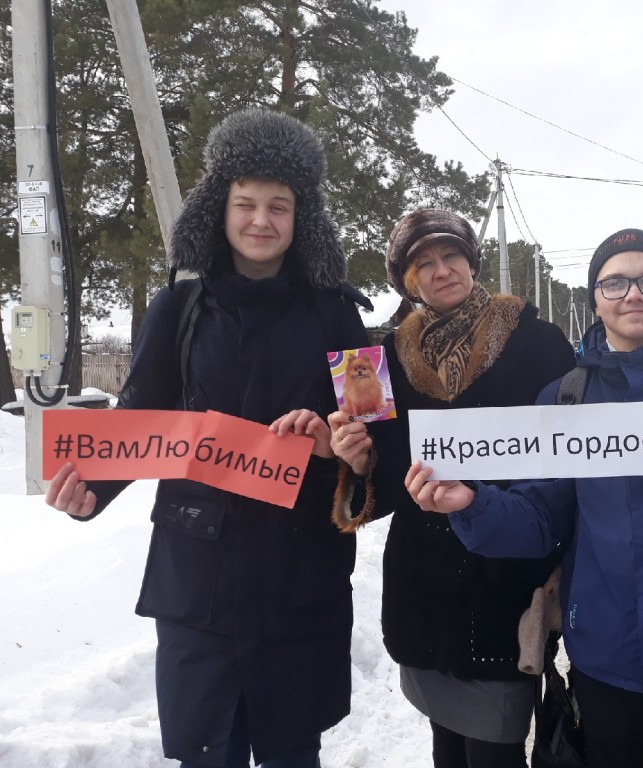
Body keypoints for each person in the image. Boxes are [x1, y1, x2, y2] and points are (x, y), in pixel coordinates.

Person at [45, 108, 370, 768]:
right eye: (245, 203)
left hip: (299, 576)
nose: (260, 220)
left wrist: (335, 447)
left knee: (291, 753)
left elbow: (378, 432)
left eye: (279, 206)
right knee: (205, 752)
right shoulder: (177, 309)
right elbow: (139, 418)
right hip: (198, 580)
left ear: (302, 217)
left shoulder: (339, 315)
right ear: (218, 209)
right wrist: (89, 490)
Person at [403, 227, 643, 768]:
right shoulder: (566, 399)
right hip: (604, 651)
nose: (634, 294)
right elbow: (540, 520)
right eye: (615, 283)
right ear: (596, 300)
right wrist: (471, 505)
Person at [329, 208, 576, 768]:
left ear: (472, 262)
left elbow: (566, 459)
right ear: (408, 282)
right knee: (447, 744)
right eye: (424, 264)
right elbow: (387, 476)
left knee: (495, 746)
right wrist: (361, 460)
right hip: (424, 584)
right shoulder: (382, 361)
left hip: (507, 574)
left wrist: (566, 555)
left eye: (451, 256)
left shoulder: (537, 341)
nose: (442, 270)